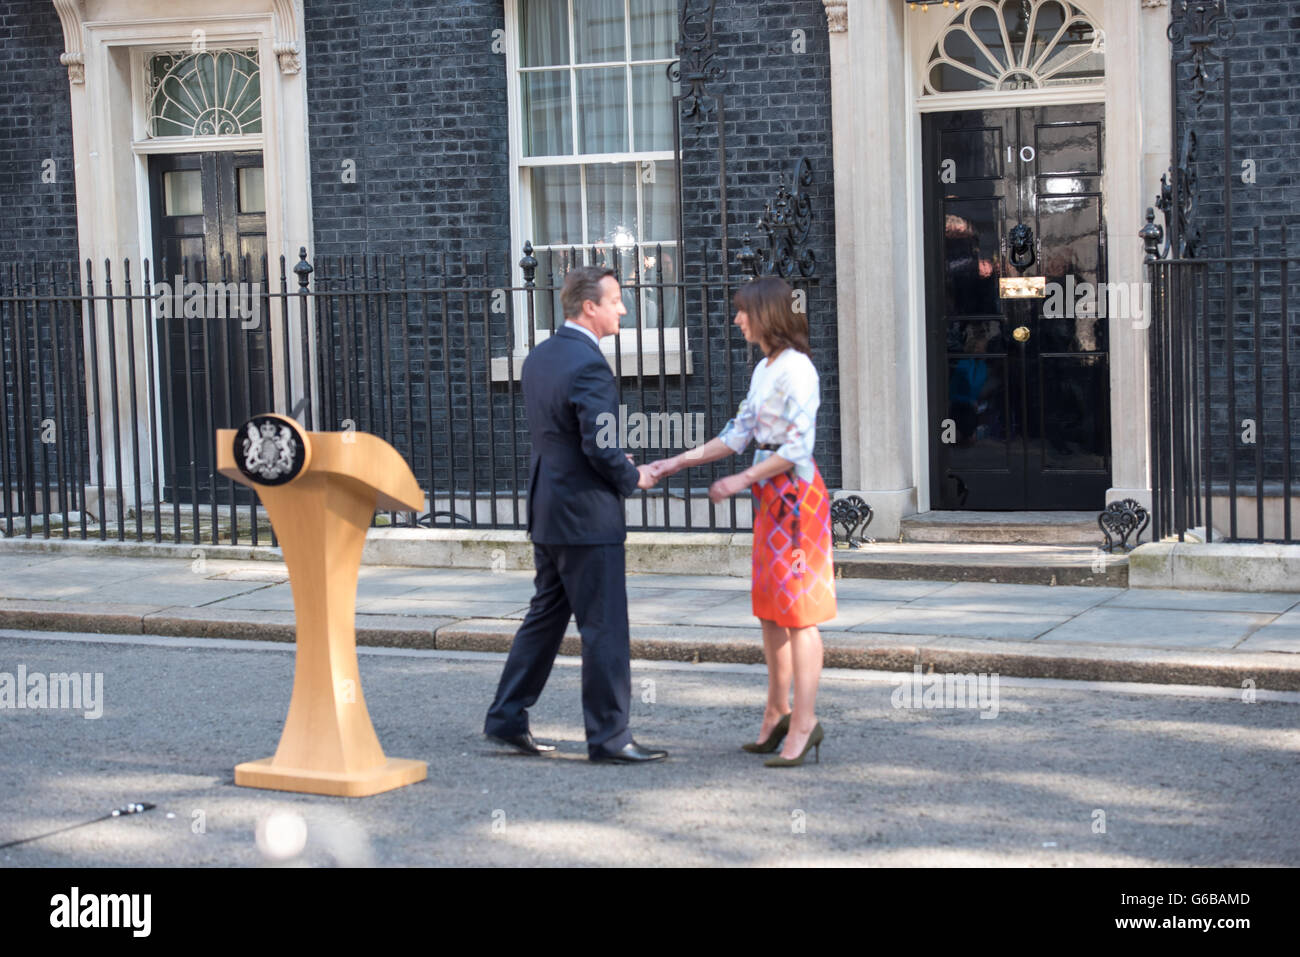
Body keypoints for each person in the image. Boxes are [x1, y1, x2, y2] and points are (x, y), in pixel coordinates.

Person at [483, 265, 668, 764]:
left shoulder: (540, 356)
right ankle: (609, 738)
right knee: (604, 626)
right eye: (615, 301)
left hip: (549, 508)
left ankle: (506, 717)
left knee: (544, 619)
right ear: (590, 307)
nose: (622, 309)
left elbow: (563, 436)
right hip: (586, 516)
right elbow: (598, 442)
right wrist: (634, 477)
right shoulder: (590, 365)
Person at [648, 277, 835, 767]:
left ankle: (805, 722)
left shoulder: (799, 370)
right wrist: (673, 464)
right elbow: (737, 434)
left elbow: (798, 447)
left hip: (795, 496)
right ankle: (776, 711)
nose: (737, 320)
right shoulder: (764, 369)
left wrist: (738, 481)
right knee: (771, 609)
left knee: (801, 615)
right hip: (772, 495)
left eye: (742, 311)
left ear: (767, 315)